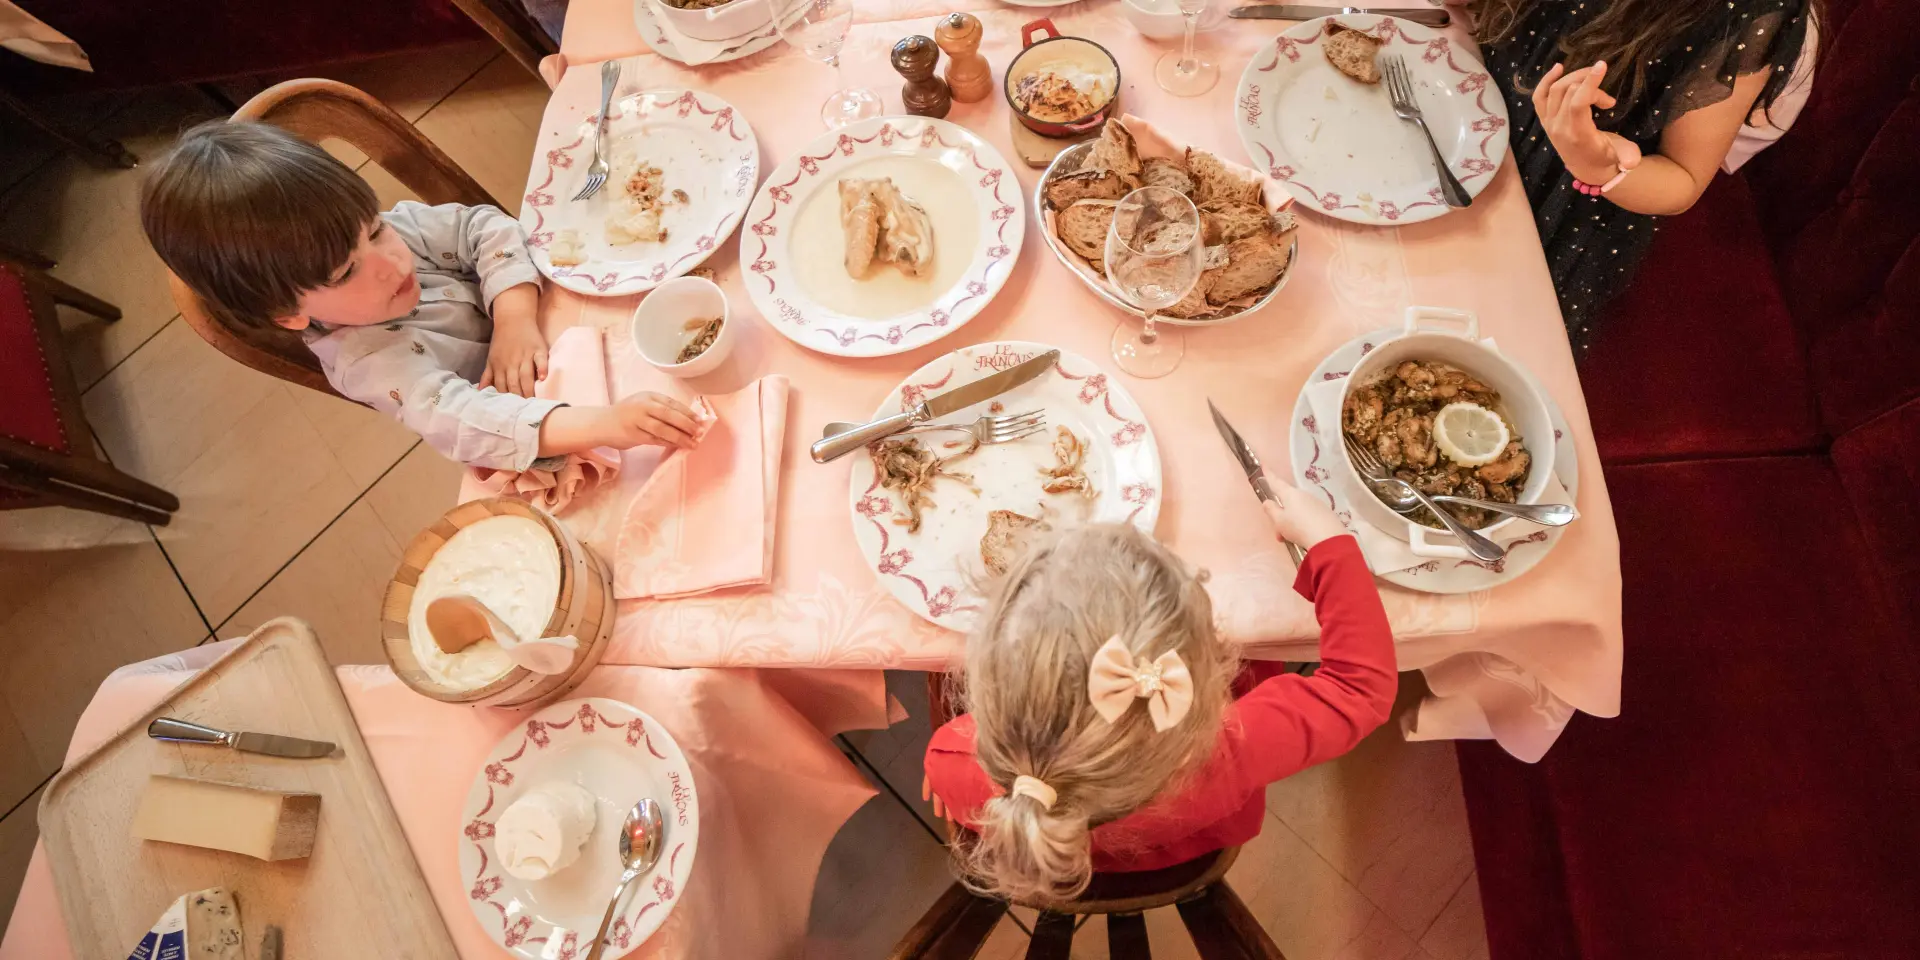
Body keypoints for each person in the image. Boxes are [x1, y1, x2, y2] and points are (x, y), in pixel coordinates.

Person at [922, 479, 1397, 902]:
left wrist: (948, 767)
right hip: (1190, 846)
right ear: (1203, 662)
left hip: (1082, 854)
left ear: (985, 681)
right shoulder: (1230, 751)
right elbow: (1359, 687)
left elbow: (948, 760)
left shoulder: (955, 765)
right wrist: (1329, 542)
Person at [139, 120, 700, 472]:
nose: (391, 262)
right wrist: (610, 426)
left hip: (545, 326)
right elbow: (471, 425)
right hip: (544, 417)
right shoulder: (370, 363)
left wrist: (513, 319)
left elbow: (483, 227)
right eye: (345, 272)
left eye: (375, 229)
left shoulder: (383, 236)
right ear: (289, 315)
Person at [1469, 0, 1819, 352]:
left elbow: (1683, 177)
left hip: (1560, 200)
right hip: (1471, 99)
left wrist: (1601, 167)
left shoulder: (1751, 13)